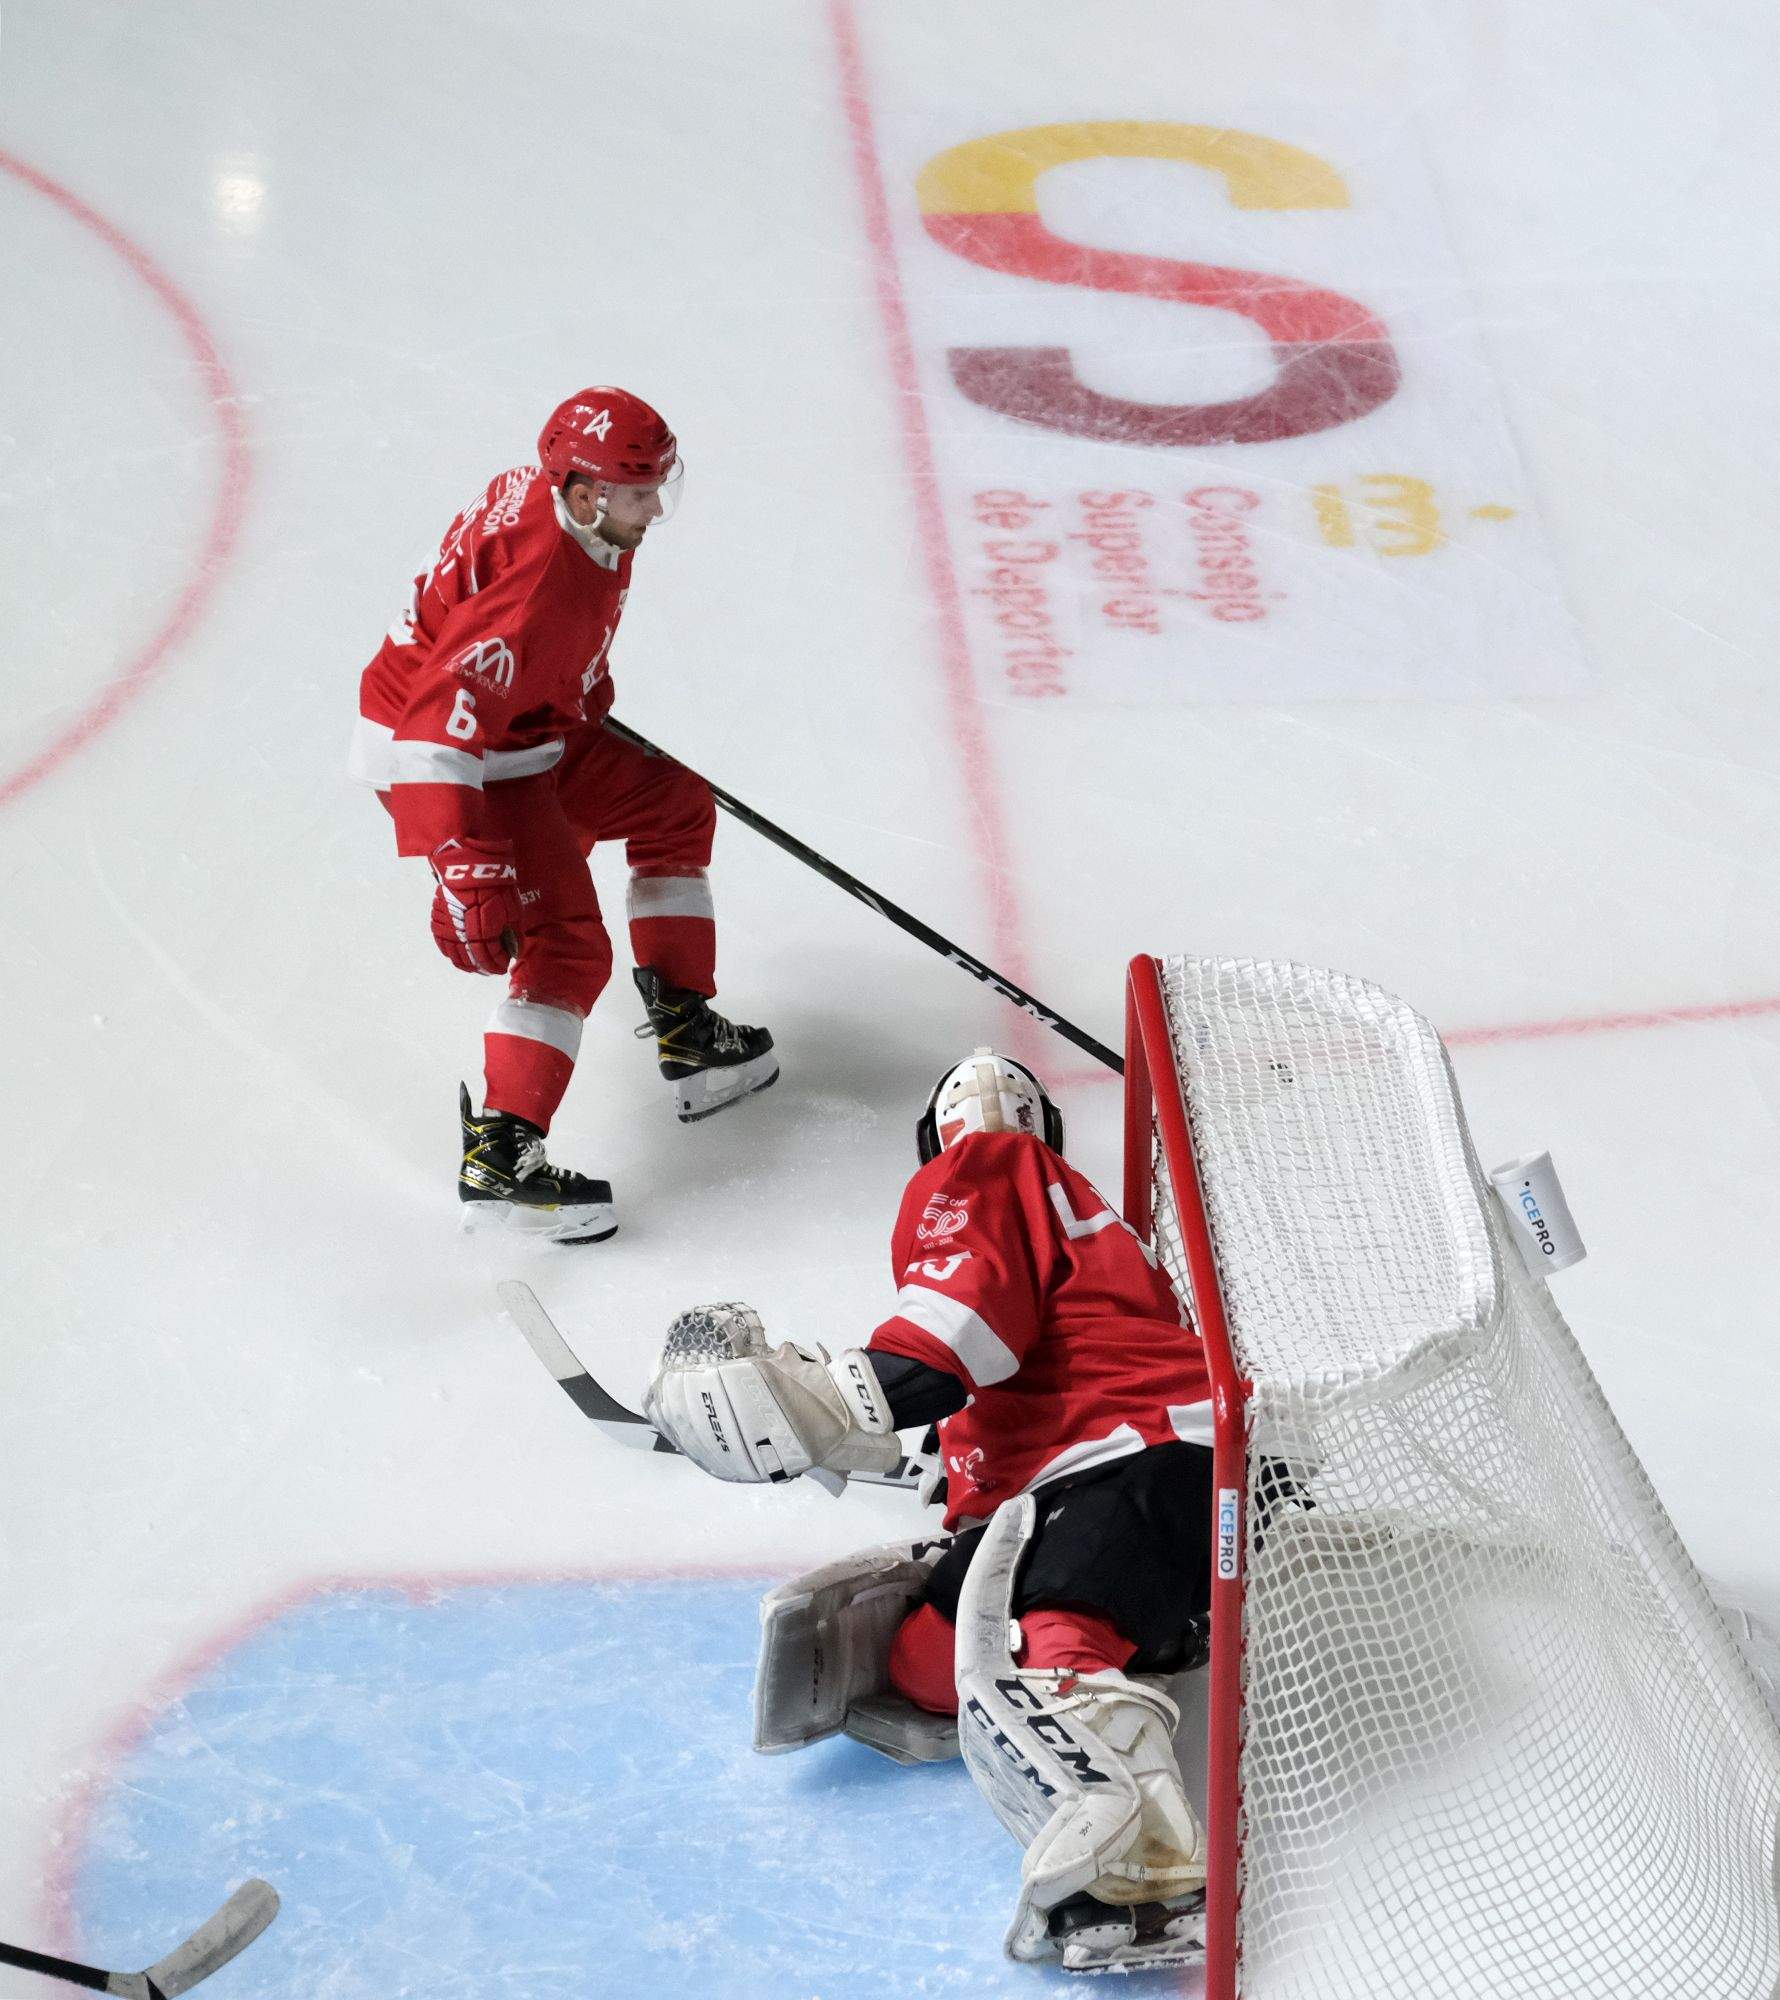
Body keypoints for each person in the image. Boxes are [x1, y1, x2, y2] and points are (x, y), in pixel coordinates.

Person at [641, 1049, 1215, 1975]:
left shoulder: (986, 1167)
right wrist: (955, 1466)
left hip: (1135, 1456)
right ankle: (1136, 1638)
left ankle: (1140, 1864)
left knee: (1046, 1638)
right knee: (926, 1665)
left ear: (931, 1142)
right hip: (1125, 1468)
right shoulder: (1078, 1216)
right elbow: (1031, 1361)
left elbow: (957, 1330)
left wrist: (827, 1401)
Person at [351, 388, 777, 1244]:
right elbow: (439, 724)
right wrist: (463, 855)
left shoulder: (567, 510)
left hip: (524, 732)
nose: (654, 507)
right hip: (462, 764)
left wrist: (569, 689)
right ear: (582, 492)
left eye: (660, 484)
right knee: (567, 948)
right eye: (636, 491)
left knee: (673, 805)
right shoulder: (542, 584)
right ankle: (504, 1157)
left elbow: (499, 659)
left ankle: (689, 1034)